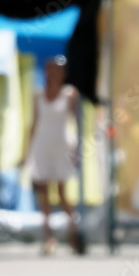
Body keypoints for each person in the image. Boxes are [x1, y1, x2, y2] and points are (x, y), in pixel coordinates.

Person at [24, 55, 80, 254]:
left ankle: (75, 233)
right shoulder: (37, 95)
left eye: (56, 70)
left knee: (63, 193)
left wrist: (78, 149)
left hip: (62, 147)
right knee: (44, 193)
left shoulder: (70, 94)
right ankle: (49, 238)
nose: (52, 73)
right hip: (42, 146)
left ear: (63, 72)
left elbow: (77, 123)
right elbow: (34, 124)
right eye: (49, 69)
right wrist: (26, 153)